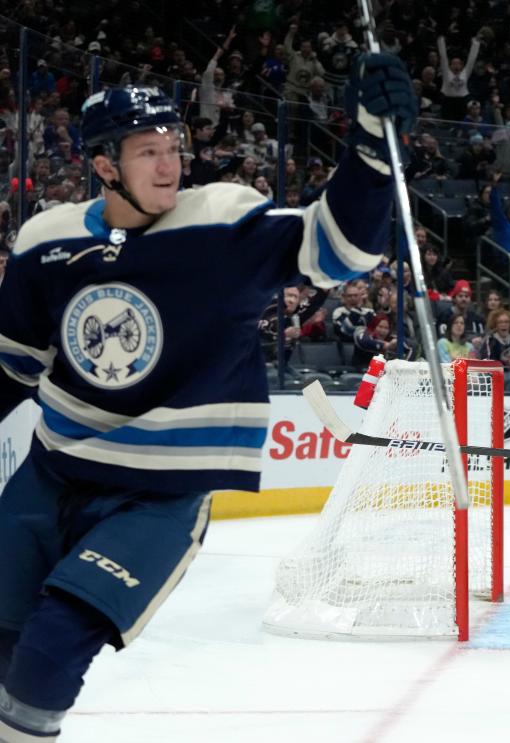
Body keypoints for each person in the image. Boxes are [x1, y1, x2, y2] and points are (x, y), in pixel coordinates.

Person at [0, 55, 417, 743]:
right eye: (147, 152)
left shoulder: (222, 223)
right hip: (50, 472)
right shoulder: (48, 239)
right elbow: (13, 365)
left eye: (173, 148)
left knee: (52, 650)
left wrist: (371, 149)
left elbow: (339, 249)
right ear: (104, 164)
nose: (170, 165)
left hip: (158, 497)